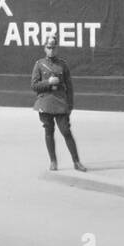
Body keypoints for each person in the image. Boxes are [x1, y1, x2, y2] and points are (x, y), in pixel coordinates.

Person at [31, 37, 86, 171]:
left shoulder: (63, 65)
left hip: (61, 103)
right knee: (49, 132)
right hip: (45, 102)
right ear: (45, 48)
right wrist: (48, 82)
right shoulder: (39, 64)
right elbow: (34, 85)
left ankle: (76, 162)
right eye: (48, 48)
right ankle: (53, 161)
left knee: (66, 132)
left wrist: (70, 105)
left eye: (53, 48)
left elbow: (70, 87)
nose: (51, 50)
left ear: (57, 48)